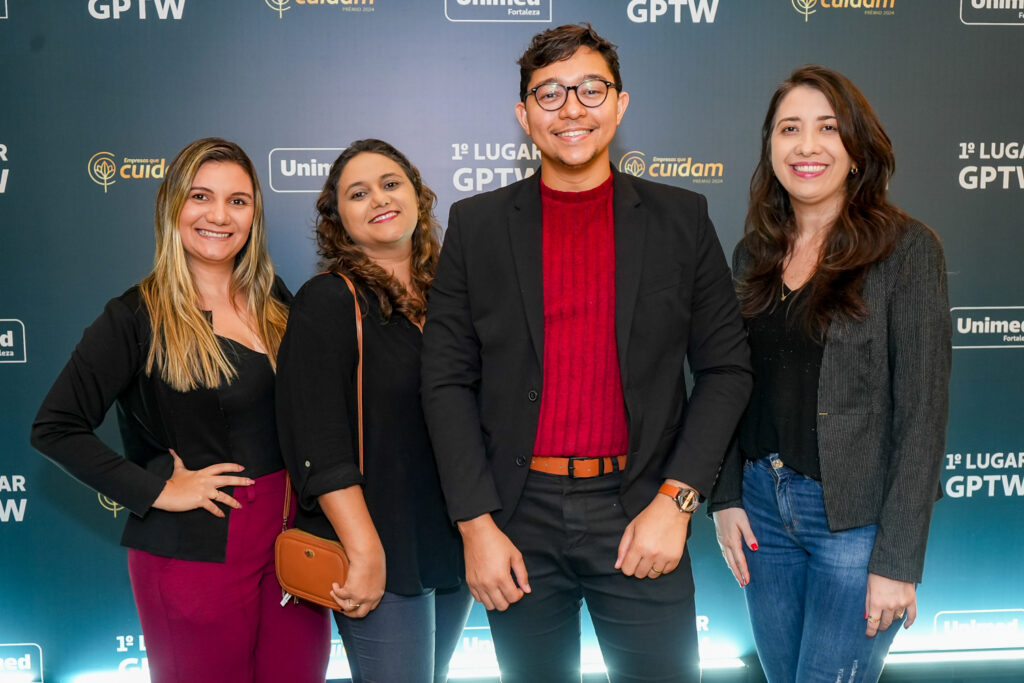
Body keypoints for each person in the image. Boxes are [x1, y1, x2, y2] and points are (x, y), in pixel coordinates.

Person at [420, 24, 752, 683]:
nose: (572, 107)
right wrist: (475, 525)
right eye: (550, 93)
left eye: (590, 89)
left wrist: (677, 502)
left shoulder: (681, 218)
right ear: (524, 115)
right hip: (515, 516)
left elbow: (725, 370)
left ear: (620, 104)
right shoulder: (477, 225)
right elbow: (445, 380)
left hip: (642, 508)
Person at [30, 138, 330, 683]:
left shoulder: (275, 300)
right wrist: (161, 490)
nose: (219, 215)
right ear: (172, 206)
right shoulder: (134, 317)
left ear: (255, 215)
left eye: (238, 201)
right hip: (196, 551)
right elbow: (54, 427)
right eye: (201, 197)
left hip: (291, 547)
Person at [709, 65, 952, 682]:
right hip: (763, 508)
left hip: (854, 522)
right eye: (790, 128)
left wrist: (897, 562)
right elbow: (729, 383)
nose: (807, 145)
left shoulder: (907, 250)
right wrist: (727, 496)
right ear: (771, 145)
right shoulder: (753, 253)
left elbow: (923, 413)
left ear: (857, 149)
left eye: (828, 128)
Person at [275, 139, 472, 683]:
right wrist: (363, 548)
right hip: (378, 544)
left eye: (390, 184)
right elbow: (317, 439)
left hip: (452, 541)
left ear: (417, 195)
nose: (378, 199)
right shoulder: (329, 300)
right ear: (338, 219)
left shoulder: (453, 298)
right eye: (357, 193)